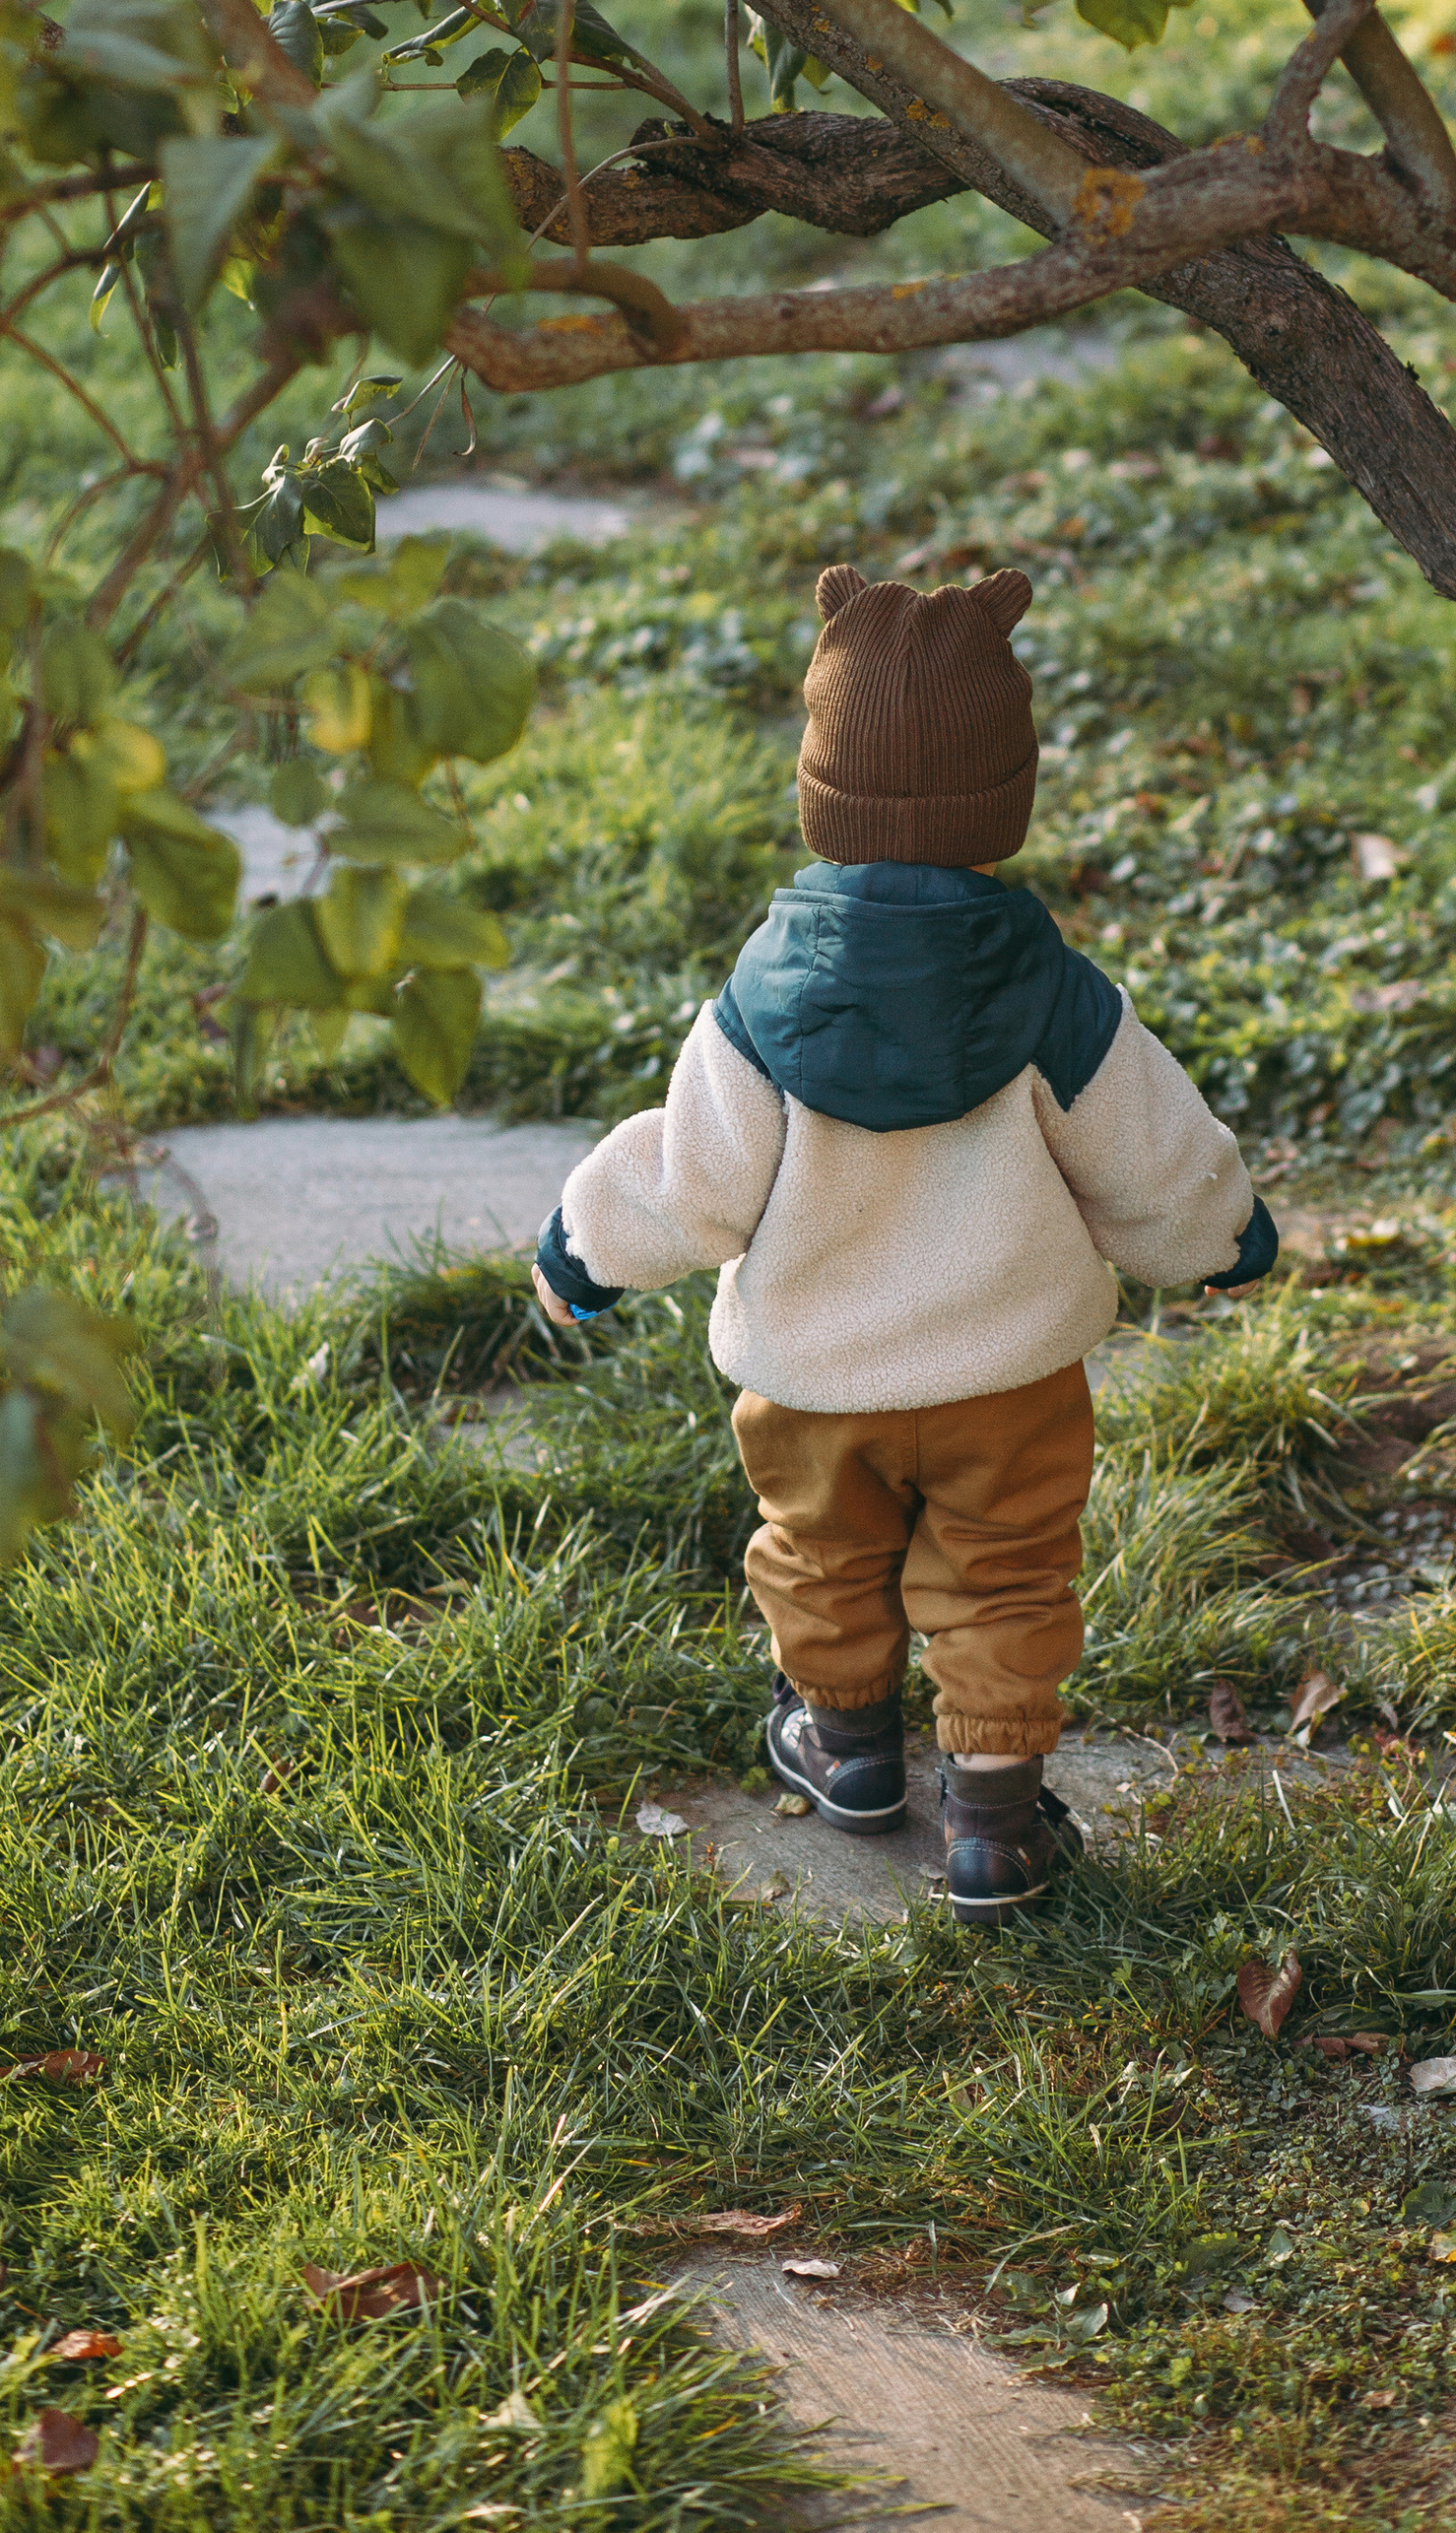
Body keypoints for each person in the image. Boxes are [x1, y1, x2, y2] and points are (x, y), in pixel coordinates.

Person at [532, 563, 1278, 1928]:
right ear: (1009, 796)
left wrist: (582, 1249)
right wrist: (1220, 1237)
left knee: (820, 1557)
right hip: (1009, 1378)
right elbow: (1148, 1150)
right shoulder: (1053, 997)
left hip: (817, 1384)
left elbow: (688, 1176)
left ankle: (849, 1745)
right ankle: (992, 1821)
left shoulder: (760, 1003)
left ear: (821, 788)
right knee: (1001, 1575)